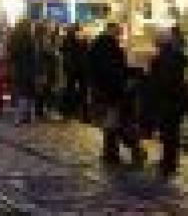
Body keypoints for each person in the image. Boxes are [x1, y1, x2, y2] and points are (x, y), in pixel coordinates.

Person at [88, 23, 138, 165]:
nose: (119, 35)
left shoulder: (98, 45)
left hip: (104, 90)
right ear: (111, 31)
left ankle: (110, 152)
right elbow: (112, 70)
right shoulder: (108, 47)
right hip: (112, 91)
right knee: (113, 122)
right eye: (118, 32)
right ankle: (111, 153)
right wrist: (124, 82)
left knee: (111, 122)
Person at [147, 28, 188, 178]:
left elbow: (165, 81)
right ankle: (169, 160)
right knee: (170, 132)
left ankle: (169, 163)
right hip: (173, 100)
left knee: (169, 132)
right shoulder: (173, 56)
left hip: (168, 100)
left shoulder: (166, 58)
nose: (154, 42)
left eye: (156, 39)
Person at [10, 21, 36, 124]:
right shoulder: (29, 39)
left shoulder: (15, 39)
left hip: (19, 69)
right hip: (27, 69)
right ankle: (27, 115)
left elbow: (12, 54)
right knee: (27, 92)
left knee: (20, 92)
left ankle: (20, 116)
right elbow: (33, 56)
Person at [61, 23, 88, 120]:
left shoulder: (67, 40)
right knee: (82, 90)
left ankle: (69, 111)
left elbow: (63, 51)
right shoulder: (82, 40)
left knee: (70, 89)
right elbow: (85, 51)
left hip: (71, 68)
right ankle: (83, 113)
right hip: (81, 68)